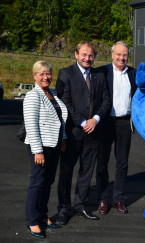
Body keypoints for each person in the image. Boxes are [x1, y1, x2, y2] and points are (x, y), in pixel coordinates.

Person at [56, 41, 111, 225]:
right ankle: (64, 208)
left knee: (86, 172)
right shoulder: (66, 73)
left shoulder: (99, 75)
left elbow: (105, 101)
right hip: (73, 132)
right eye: (84, 55)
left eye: (91, 55)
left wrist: (95, 119)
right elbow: (65, 101)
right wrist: (81, 122)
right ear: (76, 54)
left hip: (93, 132)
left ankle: (80, 205)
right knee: (66, 171)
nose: (88, 58)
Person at [24, 61, 68, 238]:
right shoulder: (33, 96)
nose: (45, 77)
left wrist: (63, 139)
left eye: (48, 74)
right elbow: (31, 125)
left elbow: (60, 119)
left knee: (48, 182)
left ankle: (42, 215)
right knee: (37, 182)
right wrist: (37, 150)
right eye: (41, 74)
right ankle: (32, 220)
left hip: (54, 144)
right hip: (41, 146)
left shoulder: (53, 94)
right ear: (34, 76)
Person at [96, 41, 137, 215]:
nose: (122, 58)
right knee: (102, 161)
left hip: (124, 122)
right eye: (119, 54)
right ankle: (103, 199)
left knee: (122, 162)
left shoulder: (133, 74)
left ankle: (118, 198)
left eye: (125, 55)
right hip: (105, 122)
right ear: (112, 55)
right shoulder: (102, 72)